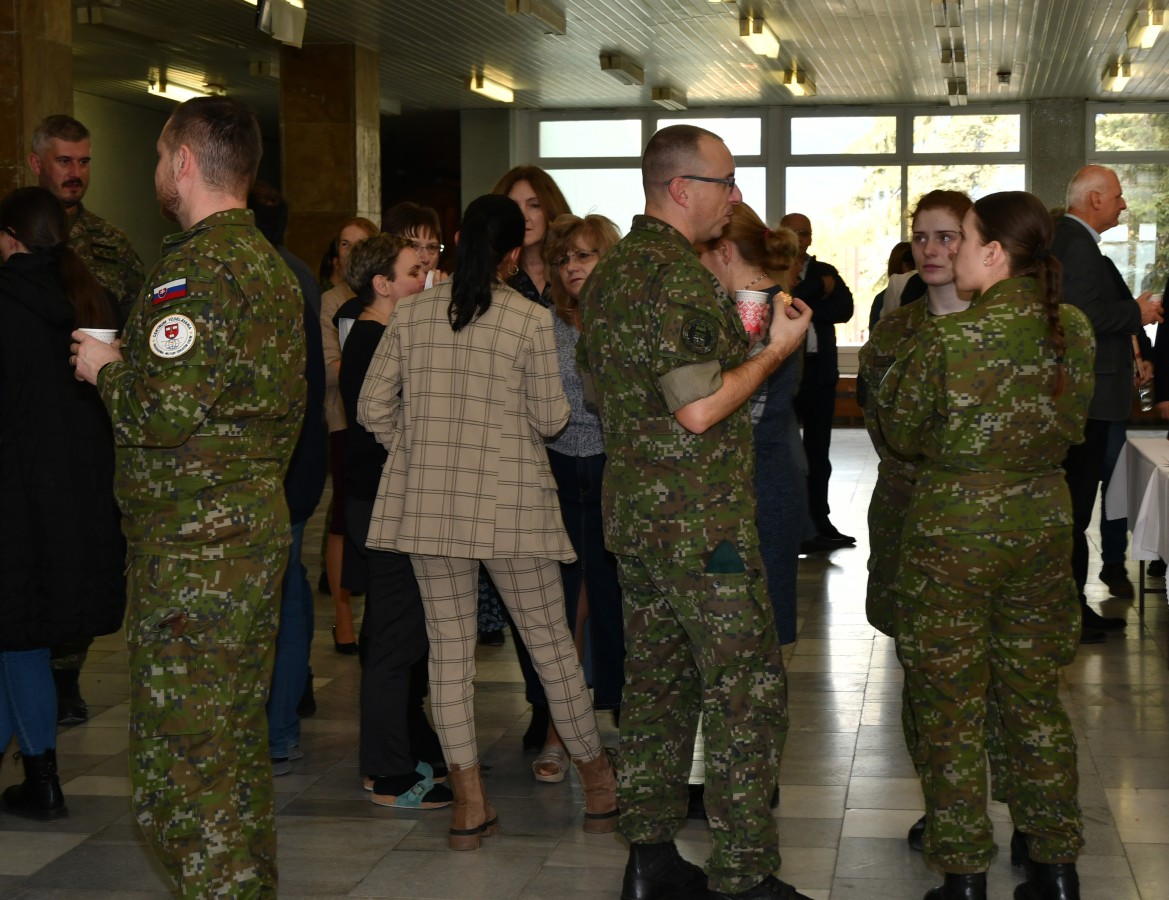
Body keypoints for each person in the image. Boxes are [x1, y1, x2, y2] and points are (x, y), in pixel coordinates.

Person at [72, 96, 305, 898]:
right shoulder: (269, 267)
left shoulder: (194, 272)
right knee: (230, 752)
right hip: (244, 539)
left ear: (181, 162)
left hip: (194, 558)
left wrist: (106, 369)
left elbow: (159, 414)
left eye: (157, 157)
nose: (156, 172)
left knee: (182, 776)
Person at [578, 123, 813, 900]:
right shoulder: (676, 279)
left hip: (636, 518)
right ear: (681, 189)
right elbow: (700, 408)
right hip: (699, 526)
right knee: (746, 689)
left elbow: (606, 393)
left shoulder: (610, 274)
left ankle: (648, 860)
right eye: (725, 182)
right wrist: (774, 350)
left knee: (655, 686)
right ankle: (742, 873)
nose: (735, 196)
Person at [357, 193, 617, 850]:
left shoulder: (411, 313)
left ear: (456, 241)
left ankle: (468, 805)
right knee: (551, 646)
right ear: (511, 253)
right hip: (512, 503)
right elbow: (552, 418)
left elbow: (371, 408)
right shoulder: (527, 319)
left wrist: (418, 449)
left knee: (448, 657)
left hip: (429, 507)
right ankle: (599, 787)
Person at [877, 191, 1094, 900]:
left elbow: (902, 432)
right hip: (1043, 524)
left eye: (963, 240)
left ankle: (964, 872)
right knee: (1034, 696)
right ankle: (1055, 865)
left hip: (954, 534)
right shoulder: (1073, 327)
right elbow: (1074, 421)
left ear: (995, 254)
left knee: (949, 704)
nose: (952, 253)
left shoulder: (947, 340)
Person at [0, 186, 125, 821]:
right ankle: (38, 777)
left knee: (17, 638)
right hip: (75, 504)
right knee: (18, 639)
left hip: (15, 505)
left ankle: (44, 779)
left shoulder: (7, 301)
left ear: (8, 239)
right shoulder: (91, 298)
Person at [27, 113, 145, 725]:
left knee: (85, 547)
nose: (76, 173)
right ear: (37, 163)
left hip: (92, 420)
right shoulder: (14, 233)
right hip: (25, 420)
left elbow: (139, 327)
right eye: (64, 161)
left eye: (84, 162)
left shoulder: (110, 244)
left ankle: (66, 675)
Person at [338, 233, 451, 809]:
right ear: (382, 285)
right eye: (413, 273)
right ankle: (386, 772)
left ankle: (407, 744)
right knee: (394, 635)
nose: (425, 280)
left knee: (398, 631)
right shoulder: (376, 339)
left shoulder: (380, 333)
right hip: (387, 502)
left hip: (384, 499)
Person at [525, 212, 627, 784]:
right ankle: (557, 731)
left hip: (616, 473)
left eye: (584, 255)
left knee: (617, 606)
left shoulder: (629, 320)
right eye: (564, 259)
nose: (572, 267)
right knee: (560, 609)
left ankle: (626, 730)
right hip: (558, 473)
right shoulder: (544, 324)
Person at [1051, 165, 1162, 641]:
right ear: (1094, 199)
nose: (1123, 204)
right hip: (1089, 397)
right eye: (1117, 196)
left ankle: (1071, 606)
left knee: (1076, 508)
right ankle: (1069, 612)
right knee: (1075, 510)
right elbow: (1080, 317)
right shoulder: (1076, 243)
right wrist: (1135, 312)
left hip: (1091, 395)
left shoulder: (1073, 240)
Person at [695, 204, 805, 646]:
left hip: (752, 480)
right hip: (767, 472)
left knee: (746, 633)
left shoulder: (751, 308)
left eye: (699, 255)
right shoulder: (777, 296)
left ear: (724, 250)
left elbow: (736, 405)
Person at [248, 183, 327, 777]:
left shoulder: (262, 277)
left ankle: (274, 728)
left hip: (275, 465)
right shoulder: (299, 273)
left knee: (275, 597)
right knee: (292, 590)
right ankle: (282, 728)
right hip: (301, 460)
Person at [320, 216, 379, 653]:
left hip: (382, 423)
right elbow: (330, 369)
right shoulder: (332, 303)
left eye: (360, 243)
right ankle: (343, 617)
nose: (351, 251)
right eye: (344, 244)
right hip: (343, 418)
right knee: (343, 517)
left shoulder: (391, 297)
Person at [780, 212, 856, 550]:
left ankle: (819, 521)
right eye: (794, 231)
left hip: (819, 371)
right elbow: (782, 303)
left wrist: (805, 302)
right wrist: (816, 292)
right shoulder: (774, 268)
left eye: (805, 232)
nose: (800, 238)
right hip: (784, 372)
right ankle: (793, 524)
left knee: (818, 451)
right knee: (785, 450)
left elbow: (845, 309)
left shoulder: (826, 270)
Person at [492, 165, 571, 308]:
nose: (523, 217)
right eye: (513, 207)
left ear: (551, 209)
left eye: (534, 205)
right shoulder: (490, 274)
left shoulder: (572, 268)